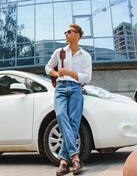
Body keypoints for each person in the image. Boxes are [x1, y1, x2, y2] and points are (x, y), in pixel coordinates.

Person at [45, 24, 92, 175]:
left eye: (69, 32)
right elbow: (47, 67)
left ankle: (64, 162)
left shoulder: (85, 56)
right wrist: (56, 73)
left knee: (73, 123)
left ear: (77, 35)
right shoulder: (59, 52)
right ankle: (75, 157)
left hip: (76, 89)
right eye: (65, 31)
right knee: (60, 115)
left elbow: (87, 77)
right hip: (60, 88)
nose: (66, 34)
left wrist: (70, 73)